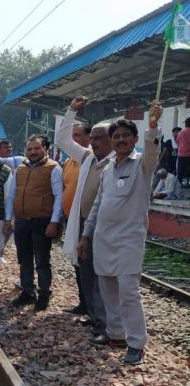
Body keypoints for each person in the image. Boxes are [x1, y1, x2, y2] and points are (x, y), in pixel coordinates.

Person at [79, 102, 163, 365]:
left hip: (129, 240)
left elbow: (152, 150)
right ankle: (115, 335)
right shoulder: (107, 169)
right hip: (104, 238)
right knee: (108, 290)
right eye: (116, 137)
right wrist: (85, 235)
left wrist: (152, 126)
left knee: (128, 292)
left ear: (135, 139)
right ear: (111, 141)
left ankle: (136, 343)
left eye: (126, 136)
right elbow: (97, 205)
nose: (121, 140)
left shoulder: (143, 166)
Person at [57, 96, 111, 332]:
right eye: (94, 137)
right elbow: (62, 139)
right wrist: (71, 111)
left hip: (105, 227)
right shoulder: (87, 157)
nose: (95, 141)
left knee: (103, 275)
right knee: (86, 271)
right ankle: (94, 314)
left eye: (101, 138)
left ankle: (107, 321)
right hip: (83, 224)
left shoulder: (117, 162)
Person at [9, 135, 64, 311]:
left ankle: (44, 293)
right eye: (29, 149)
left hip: (42, 221)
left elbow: (58, 196)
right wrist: (9, 219)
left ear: (45, 149)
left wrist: (54, 222)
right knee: (24, 259)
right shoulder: (20, 169)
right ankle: (27, 291)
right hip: (22, 221)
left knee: (42, 260)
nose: (32, 152)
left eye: (36, 148)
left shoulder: (53, 168)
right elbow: (12, 195)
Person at [176, 117, 190, 187]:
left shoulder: (180, 133)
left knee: (180, 171)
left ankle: (179, 184)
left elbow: (177, 142)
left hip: (182, 155)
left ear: (185, 124)